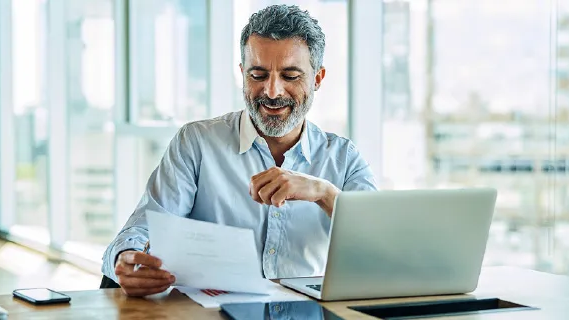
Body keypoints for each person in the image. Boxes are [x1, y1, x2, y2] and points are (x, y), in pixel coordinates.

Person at [101, 4, 378, 297]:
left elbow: (383, 246)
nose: (272, 92)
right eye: (258, 75)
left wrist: (324, 193)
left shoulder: (344, 159)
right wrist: (127, 259)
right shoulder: (196, 143)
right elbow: (145, 228)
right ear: (242, 74)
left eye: (291, 76)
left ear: (317, 79)